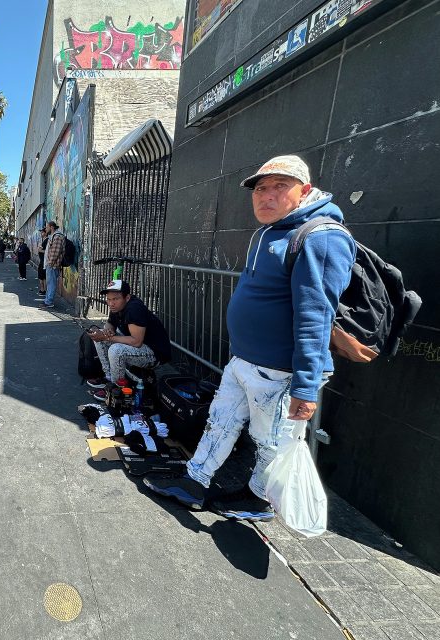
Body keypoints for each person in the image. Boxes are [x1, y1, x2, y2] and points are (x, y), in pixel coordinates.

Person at [145, 155, 356, 520]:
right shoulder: (268, 232)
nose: (266, 196)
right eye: (260, 188)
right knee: (220, 421)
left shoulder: (321, 237)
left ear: (304, 191)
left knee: (269, 442)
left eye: (279, 187)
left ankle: (259, 500)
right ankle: (194, 481)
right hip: (245, 361)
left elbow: (316, 318)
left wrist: (305, 389)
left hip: (281, 372)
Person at [86, 280, 171, 399]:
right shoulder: (116, 306)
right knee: (99, 338)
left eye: (115, 299)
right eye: (109, 299)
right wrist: (106, 331)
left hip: (154, 353)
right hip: (138, 345)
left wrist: (108, 337)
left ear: (127, 298)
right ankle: (109, 378)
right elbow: (110, 324)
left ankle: (115, 391)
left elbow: (136, 341)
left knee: (116, 350)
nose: (111, 303)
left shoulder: (134, 309)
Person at [40, 221, 65, 309]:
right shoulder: (53, 236)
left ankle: (49, 302)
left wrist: (50, 263)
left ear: (51, 227)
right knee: (49, 283)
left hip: (53, 265)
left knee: (51, 284)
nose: (45, 229)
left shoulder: (57, 236)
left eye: (47, 227)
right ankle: (47, 300)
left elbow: (55, 252)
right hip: (50, 264)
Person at [35, 227, 49, 298]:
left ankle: (44, 290)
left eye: (42, 232)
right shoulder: (44, 240)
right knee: (42, 277)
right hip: (42, 262)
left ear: (45, 233)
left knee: (43, 277)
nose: (41, 233)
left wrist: (40, 250)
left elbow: (47, 252)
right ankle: (42, 290)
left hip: (44, 262)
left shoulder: (47, 240)